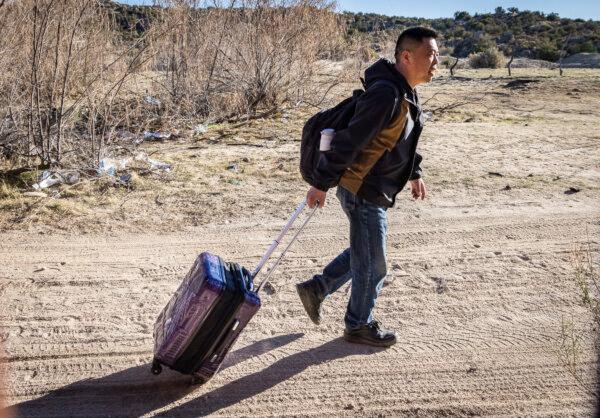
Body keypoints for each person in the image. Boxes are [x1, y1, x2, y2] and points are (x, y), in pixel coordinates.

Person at [296, 27, 439, 347]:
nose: (436, 62)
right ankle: (358, 324)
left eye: (437, 55)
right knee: (375, 264)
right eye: (430, 54)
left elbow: (400, 141)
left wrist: (414, 171)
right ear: (406, 56)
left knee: (365, 252)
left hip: (373, 188)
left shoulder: (405, 93)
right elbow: (350, 141)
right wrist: (320, 183)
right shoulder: (386, 94)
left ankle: (316, 289)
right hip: (362, 189)